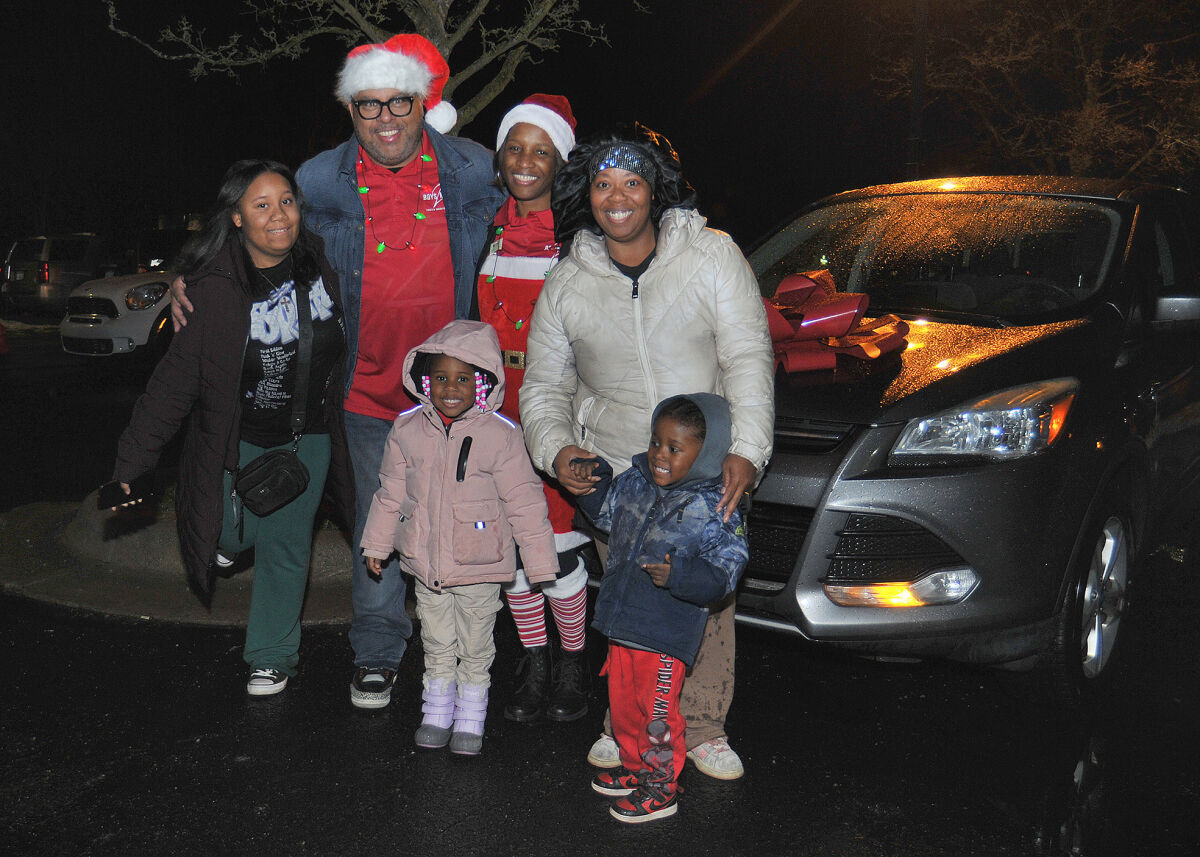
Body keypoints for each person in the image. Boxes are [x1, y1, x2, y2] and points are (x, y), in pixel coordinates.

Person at [173, 34, 507, 709]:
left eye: (399, 103)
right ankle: (379, 651)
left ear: (423, 104)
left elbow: (534, 212)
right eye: (368, 106)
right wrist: (197, 277)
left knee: (463, 519)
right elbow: (264, 231)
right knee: (374, 524)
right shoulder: (322, 178)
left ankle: (472, 660)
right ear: (350, 109)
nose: (385, 119)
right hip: (361, 390)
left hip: (450, 394)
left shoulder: (470, 168)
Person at [519, 123, 775, 780]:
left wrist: (747, 447)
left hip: (706, 470)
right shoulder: (568, 282)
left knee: (707, 602)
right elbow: (545, 385)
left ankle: (706, 723)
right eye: (603, 185)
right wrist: (557, 449)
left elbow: (747, 355)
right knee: (631, 603)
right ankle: (622, 719)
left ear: (655, 188)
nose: (618, 197)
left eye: (632, 182)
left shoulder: (713, 256)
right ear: (588, 195)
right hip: (622, 473)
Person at [107, 159, 350, 696]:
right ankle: (231, 541)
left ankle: (271, 655)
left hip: (305, 436)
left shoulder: (323, 261)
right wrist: (133, 464)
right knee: (219, 527)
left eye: (286, 200)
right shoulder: (213, 288)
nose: (278, 215)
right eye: (261, 205)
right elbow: (172, 384)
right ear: (237, 217)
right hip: (233, 438)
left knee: (287, 546)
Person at [359, 319, 557, 754]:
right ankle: (436, 709)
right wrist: (377, 543)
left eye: (464, 378)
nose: (452, 388)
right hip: (426, 563)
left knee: (475, 642)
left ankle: (470, 714)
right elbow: (390, 491)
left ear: (483, 382)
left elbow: (525, 502)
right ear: (426, 382)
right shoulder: (408, 429)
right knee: (436, 638)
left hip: (481, 564)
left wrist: (540, 562)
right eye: (442, 378)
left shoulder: (502, 437)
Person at [571, 393, 749, 822]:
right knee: (626, 706)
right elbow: (608, 513)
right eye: (656, 442)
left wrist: (680, 575)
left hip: (666, 634)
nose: (659, 455)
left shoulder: (716, 504)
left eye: (675, 448)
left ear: (705, 452)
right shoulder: (636, 483)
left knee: (657, 718)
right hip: (624, 622)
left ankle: (661, 789)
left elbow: (727, 569)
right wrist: (595, 478)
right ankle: (636, 771)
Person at [478, 93, 593, 724]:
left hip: (555, 404)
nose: (526, 161)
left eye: (541, 150)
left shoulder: (581, 235)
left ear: (560, 161)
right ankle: (535, 661)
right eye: (516, 148)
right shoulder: (487, 225)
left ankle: (573, 665)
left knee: (558, 543)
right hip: (495, 407)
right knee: (514, 547)